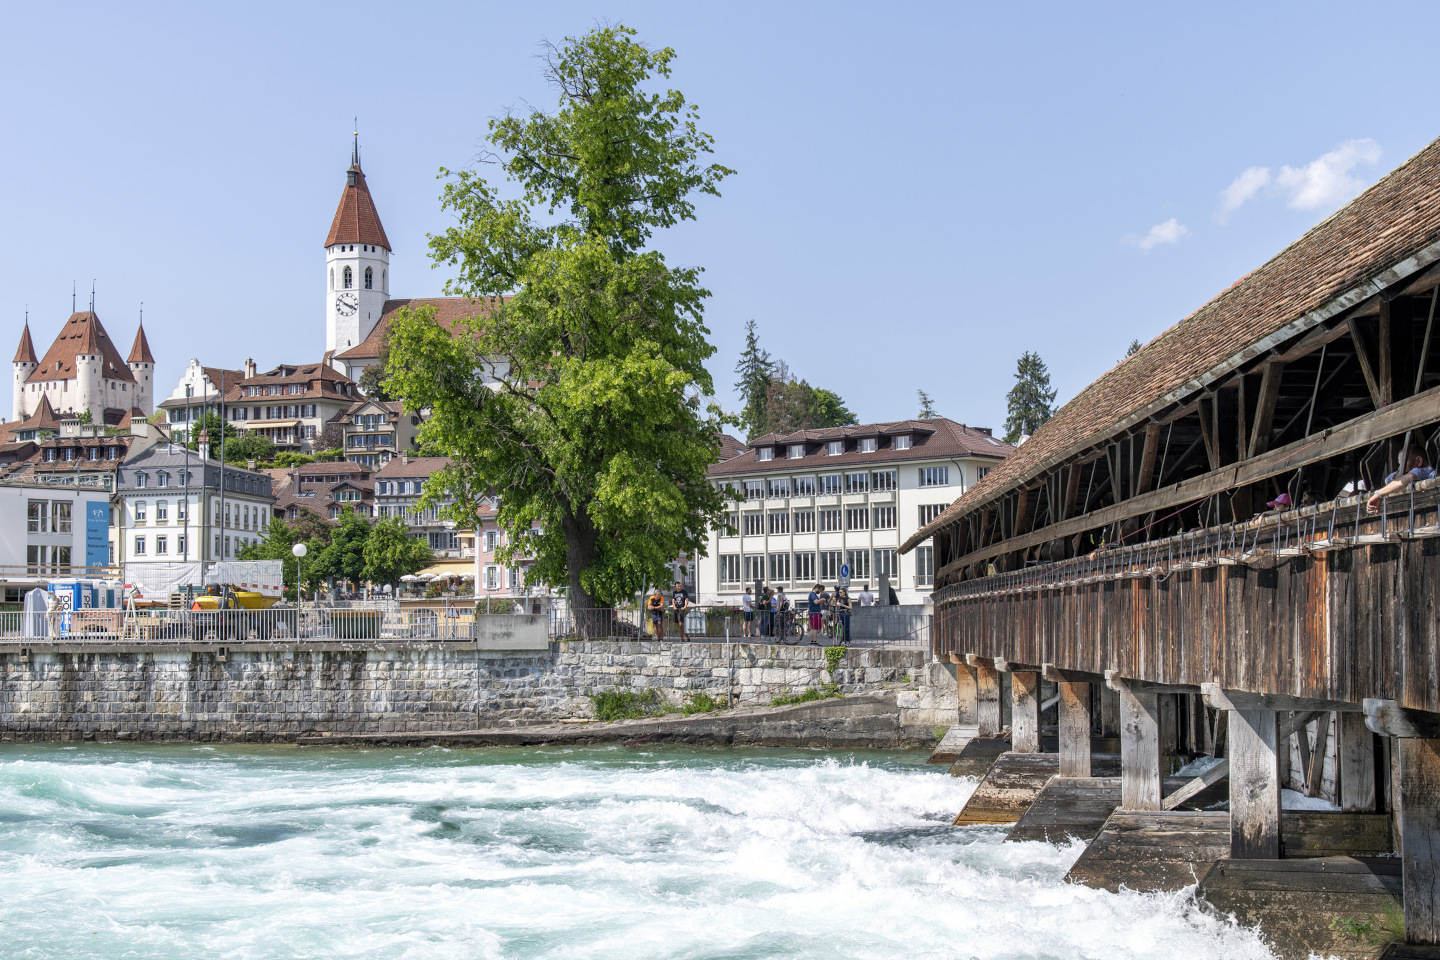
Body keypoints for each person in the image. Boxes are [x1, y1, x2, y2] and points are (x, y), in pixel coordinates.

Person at [1368, 445, 1435, 513]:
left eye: (1404, 463)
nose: (1400, 467)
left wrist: (1378, 494)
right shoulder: (1410, 471)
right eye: (1399, 464)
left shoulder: (1428, 470)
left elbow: (1410, 477)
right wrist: (1401, 472)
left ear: (1419, 461)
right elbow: (1388, 480)